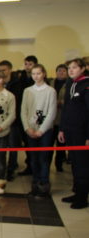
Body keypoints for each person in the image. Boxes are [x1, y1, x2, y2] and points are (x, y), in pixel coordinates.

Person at [21, 64, 56, 197]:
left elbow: (52, 112)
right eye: (33, 74)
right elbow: (23, 111)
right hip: (31, 129)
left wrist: (41, 130)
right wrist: (27, 128)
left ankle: (44, 185)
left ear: (44, 74)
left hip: (45, 130)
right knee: (33, 158)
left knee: (44, 158)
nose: (36, 76)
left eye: (38, 73)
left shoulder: (50, 91)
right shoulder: (27, 91)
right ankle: (35, 184)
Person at [58, 58, 89, 209]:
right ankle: (77, 192)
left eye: (74, 67)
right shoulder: (70, 83)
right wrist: (62, 128)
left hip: (82, 132)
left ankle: (82, 197)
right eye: (69, 67)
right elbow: (66, 109)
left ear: (82, 69)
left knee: (82, 165)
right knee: (75, 163)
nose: (71, 70)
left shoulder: (86, 85)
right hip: (70, 130)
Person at [52, 63, 68, 171]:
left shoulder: (70, 84)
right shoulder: (50, 83)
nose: (61, 73)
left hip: (63, 118)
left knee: (61, 144)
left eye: (63, 71)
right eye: (59, 70)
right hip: (51, 119)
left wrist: (62, 102)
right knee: (49, 144)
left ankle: (59, 164)